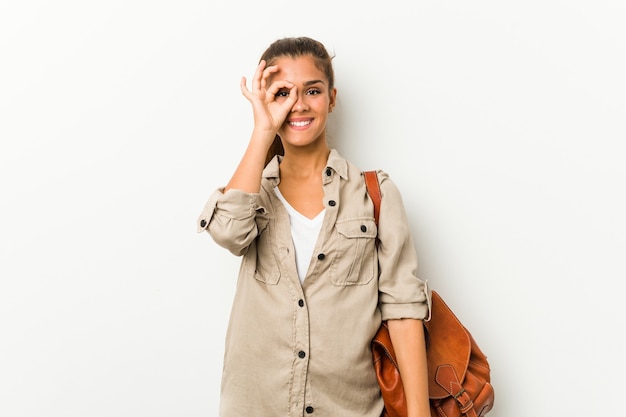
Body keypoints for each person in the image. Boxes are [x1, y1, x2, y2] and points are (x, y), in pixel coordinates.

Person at [197, 36, 431, 417]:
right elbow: (227, 232)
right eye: (282, 93)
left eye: (312, 90)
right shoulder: (253, 191)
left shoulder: (375, 194)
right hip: (257, 405)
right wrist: (263, 130)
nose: (298, 104)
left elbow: (403, 311)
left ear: (332, 98)